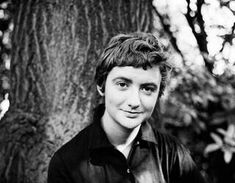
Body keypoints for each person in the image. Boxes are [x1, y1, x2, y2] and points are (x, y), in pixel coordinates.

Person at [48, 32, 207, 183]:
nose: (134, 101)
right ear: (101, 86)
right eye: (123, 84)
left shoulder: (173, 154)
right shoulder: (66, 162)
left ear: (158, 93)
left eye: (147, 89)